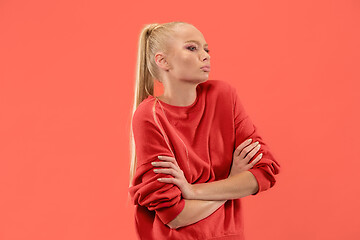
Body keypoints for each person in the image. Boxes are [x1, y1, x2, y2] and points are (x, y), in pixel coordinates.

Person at [127, 21, 281, 240]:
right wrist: (232, 180)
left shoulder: (224, 97)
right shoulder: (149, 116)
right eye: (192, 48)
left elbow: (264, 172)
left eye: (206, 49)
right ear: (162, 61)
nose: (205, 55)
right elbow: (175, 215)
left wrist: (192, 191)